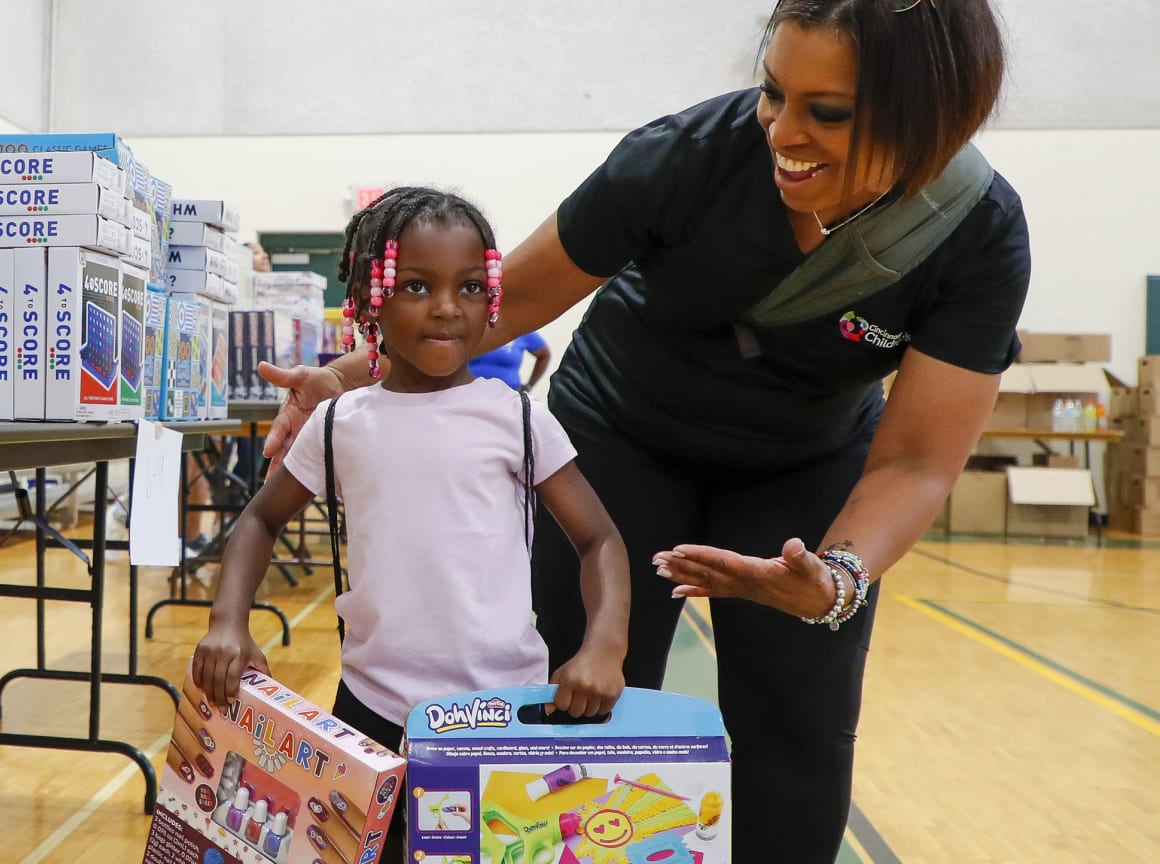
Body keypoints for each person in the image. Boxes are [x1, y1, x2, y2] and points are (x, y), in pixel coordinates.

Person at [255, 2, 1029, 858]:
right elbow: (503, 303)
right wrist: (339, 379)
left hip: (803, 467)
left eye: (829, 112)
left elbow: (919, 459)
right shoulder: (683, 157)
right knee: (567, 710)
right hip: (618, 434)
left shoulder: (978, 233)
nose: (783, 131)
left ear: (932, 117)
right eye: (773, 93)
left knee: (795, 738)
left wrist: (836, 578)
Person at [194, 188, 630, 861]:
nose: (447, 306)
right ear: (371, 300)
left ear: (492, 304)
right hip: (372, 705)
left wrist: (605, 645)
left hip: (504, 707)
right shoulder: (341, 422)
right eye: (417, 285)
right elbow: (258, 518)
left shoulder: (516, 417)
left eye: (469, 286)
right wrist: (228, 619)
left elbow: (598, 539)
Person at [469, 331, 551, 392]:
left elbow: (544, 355)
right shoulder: (474, 328)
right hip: (468, 393)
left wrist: (529, 385)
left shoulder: (520, 329)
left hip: (508, 397)